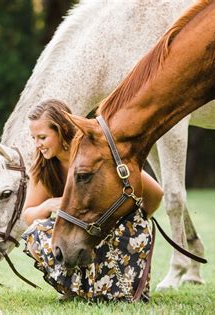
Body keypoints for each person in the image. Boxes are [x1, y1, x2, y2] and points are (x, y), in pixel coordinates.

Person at [21, 99, 164, 302]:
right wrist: (48, 205)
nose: (37, 144)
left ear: (61, 130)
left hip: (108, 230)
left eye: (42, 137)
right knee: (38, 231)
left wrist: (131, 223)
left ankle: (114, 287)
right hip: (76, 234)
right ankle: (75, 289)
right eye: (33, 138)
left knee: (121, 231)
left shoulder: (96, 154)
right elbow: (29, 215)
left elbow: (155, 194)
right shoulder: (44, 168)